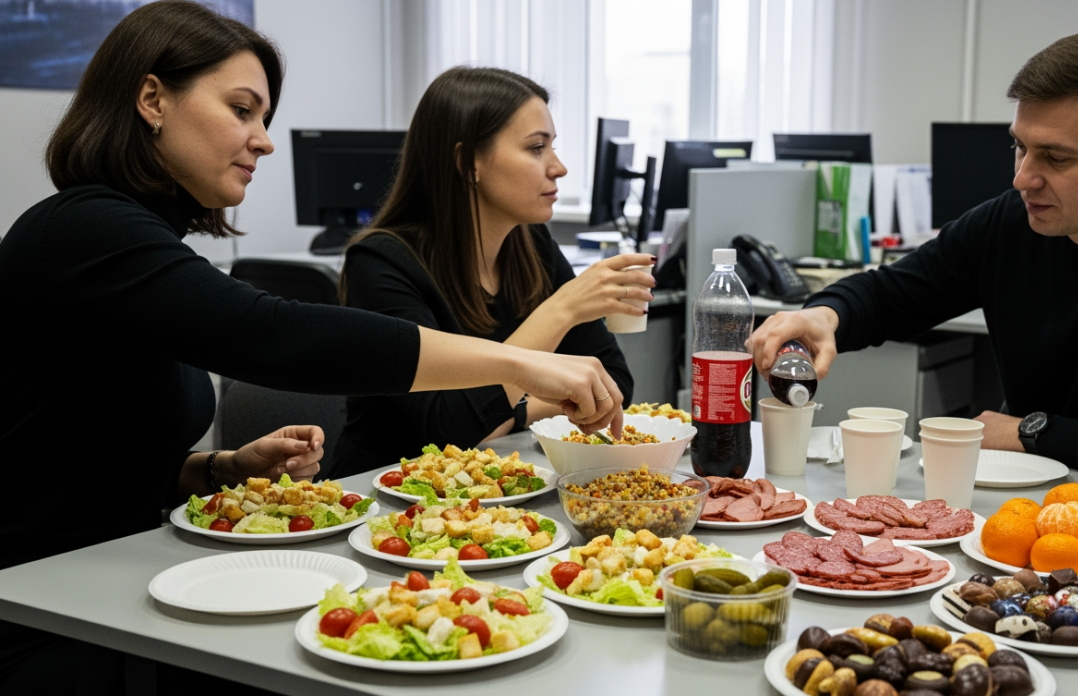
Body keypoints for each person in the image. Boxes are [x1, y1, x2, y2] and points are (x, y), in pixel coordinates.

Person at [0, 3, 622, 691]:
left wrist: (216, 468)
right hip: (38, 611)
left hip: (109, 584)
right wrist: (517, 360)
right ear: (152, 100)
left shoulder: (133, 242)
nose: (264, 141)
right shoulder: (83, 230)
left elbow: (82, 449)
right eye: (242, 110)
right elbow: (272, 334)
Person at [749, 31, 1078, 696]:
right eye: (1020, 146)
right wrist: (826, 315)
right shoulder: (1013, 221)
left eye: (1055, 156)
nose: (1023, 176)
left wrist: (1034, 432)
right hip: (1024, 542)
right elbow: (896, 292)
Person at [329, 66, 653, 477]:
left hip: (492, 490)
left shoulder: (532, 245)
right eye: (536, 148)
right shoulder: (381, 263)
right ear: (468, 162)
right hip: (385, 496)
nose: (558, 167)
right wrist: (562, 310)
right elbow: (449, 431)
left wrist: (509, 410)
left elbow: (613, 385)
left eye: (552, 147)